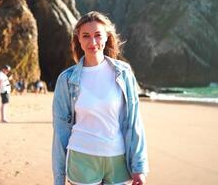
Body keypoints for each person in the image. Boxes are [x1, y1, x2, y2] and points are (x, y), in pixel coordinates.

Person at [52, 11, 149, 185]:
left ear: (107, 37)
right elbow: (60, 131)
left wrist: (139, 167)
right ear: (79, 40)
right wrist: (59, 178)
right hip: (81, 157)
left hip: (118, 159)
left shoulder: (124, 73)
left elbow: (134, 122)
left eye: (98, 35)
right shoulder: (66, 79)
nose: (93, 42)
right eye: (86, 36)